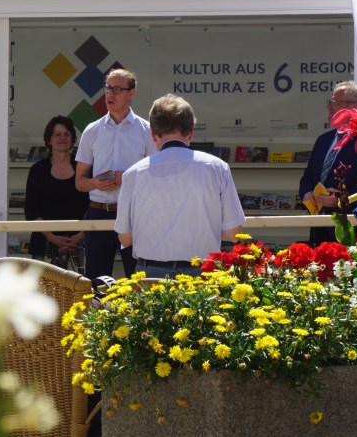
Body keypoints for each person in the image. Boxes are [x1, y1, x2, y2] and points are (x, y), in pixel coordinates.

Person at [115, 94, 245, 279]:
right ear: (191, 133)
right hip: (202, 272)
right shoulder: (217, 167)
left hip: (150, 274)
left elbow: (125, 239)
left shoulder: (133, 174)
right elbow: (233, 233)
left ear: (153, 135)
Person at [75, 68, 155, 278]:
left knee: (137, 278)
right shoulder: (92, 130)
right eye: (107, 88)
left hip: (133, 213)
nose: (110, 94)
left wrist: (125, 179)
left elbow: (155, 178)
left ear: (131, 93)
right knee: (96, 281)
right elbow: (79, 182)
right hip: (98, 212)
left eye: (117, 89)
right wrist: (95, 183)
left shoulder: (146, 131)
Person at [299, 80, 357, 245]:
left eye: (334, 103)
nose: (329, 107)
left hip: (350, 229)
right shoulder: (323, 140)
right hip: (318, 230)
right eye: (330, 102)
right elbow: (307, 179)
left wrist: (343, 200)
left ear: (354, 107)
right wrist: (307, 193)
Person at [24, 116, 88, 273]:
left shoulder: (84, 168)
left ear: (72, 138)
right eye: (57, 134)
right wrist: (53, 238)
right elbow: (31, 210)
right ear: (49, 140)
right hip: (44, 242)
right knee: (44, 296)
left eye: (67, 134)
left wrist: (80, 236)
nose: (62, 138)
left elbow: (92, 205)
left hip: (80, 244)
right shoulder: (37, 170)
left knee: (80, 294)